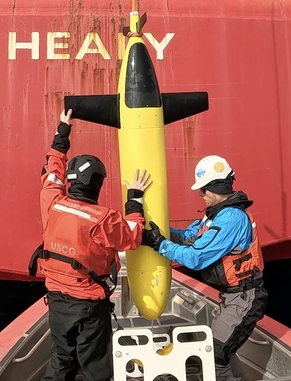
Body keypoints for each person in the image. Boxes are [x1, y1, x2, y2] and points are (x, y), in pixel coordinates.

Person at [29, 109, 149, 381]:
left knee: (61, 359)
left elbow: (52, 172)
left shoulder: (51, 202)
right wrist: (135, 199)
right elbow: (133, 235)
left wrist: (62, 131)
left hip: (57, 301)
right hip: (88, 307)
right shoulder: (104, 219)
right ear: (97, 184)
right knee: (96, 369)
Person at [142, 155, 266, 381]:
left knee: (215, 357)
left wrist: (159, 244)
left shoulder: (231, 219)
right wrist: (161, 232)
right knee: (221, 352)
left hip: (244, 298)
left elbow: (196, 257)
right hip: (232, 297)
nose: (201, 194)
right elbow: (189, 237)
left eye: (204, 189)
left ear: (216, 187)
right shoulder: (215, 217)